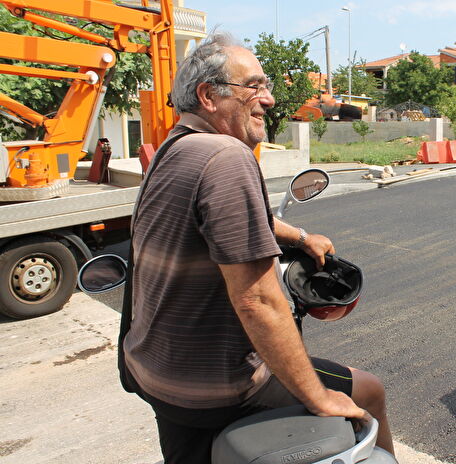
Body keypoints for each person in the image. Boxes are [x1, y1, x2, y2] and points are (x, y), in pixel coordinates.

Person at [123, 33, 393, 463]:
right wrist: (319, 397)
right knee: (370, 392)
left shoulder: (173, 149)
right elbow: (257, 300)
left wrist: (301, 237)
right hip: (220, 384)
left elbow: (235, 221)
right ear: (208, 95)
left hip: (156, 370)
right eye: (255, 86)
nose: (268, 99)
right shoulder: (226, 157)